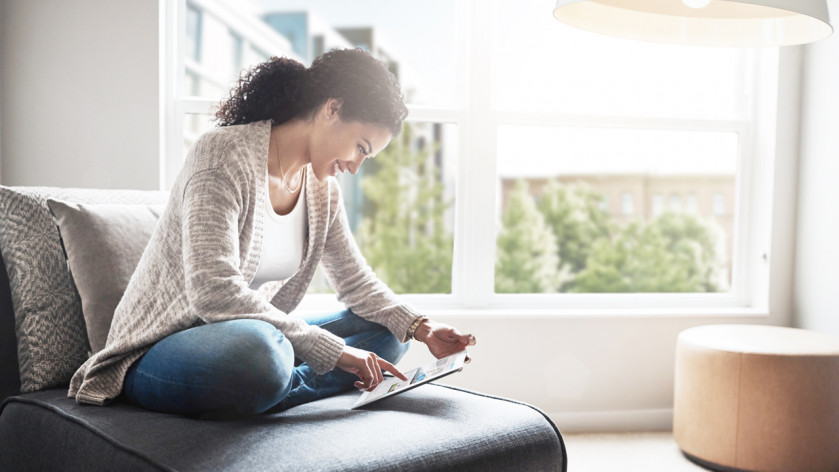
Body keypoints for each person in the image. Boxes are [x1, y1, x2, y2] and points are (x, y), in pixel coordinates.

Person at [67, 48, 475, 417]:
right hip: (161, 349)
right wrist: (333, 353)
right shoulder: (222, 155)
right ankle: (272, 382)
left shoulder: (321, 191)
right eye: (361, 148)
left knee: (389, 334)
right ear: (332, 108)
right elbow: (214, 292)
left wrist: (422, 327)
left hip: (250, 337)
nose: (355, 165)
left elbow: (356, 283)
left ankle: (271, 389)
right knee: (260, 355)